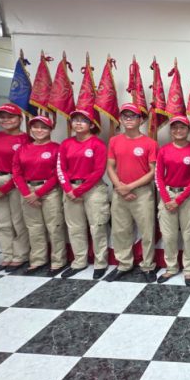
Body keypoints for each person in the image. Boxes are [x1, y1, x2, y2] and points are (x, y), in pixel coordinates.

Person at [106, 103, 159, 282]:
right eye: (125, 116)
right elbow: (110, 167)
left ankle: (148, 265)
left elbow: (153, 172)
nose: (128, 119)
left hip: (142, 193)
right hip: (119, 192)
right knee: (120, 230)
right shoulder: (114, 141)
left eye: (133, 116)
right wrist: (120, 187)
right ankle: (124, 264)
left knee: (147, 231)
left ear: (140, 120)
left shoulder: (150, 143)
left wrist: (129, 187)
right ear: (120, 120)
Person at [57, 107, 110, 279]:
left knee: (98, 227)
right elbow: (61, 168)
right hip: (70, 190)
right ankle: (79, 261)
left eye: (83, 120)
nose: (78, 123)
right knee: (75, 228)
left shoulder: (97, 144)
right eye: (75, 120)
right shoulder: (66, 144)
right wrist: (68, 189)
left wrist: (79, 190)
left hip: (93, 190)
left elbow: (99, 171)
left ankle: (100, 262)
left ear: (91, 124)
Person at [12, 115, 67, 276]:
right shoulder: (23, 149)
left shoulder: (57, 148)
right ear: (30, 129)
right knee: (34, 227)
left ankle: (58, 261)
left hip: (50, 191)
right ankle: (38, 260)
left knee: (54, 227)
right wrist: (27, 193)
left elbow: (58, 173)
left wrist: (39, 193)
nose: (39, 130)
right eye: (35, 127)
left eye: (44, 127)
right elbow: (16, 172)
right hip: (27, 192)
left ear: (50, 129)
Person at [155, 115, 190, 286]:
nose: (178, 130)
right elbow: (159, 177)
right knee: (169, 235)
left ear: (188, 130)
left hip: (188, 197)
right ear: (170, 130)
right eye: (174, 127)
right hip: (167, 196)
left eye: (182, 127)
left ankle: (189, 269)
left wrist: (179, 200)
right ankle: (171, 267)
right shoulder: (164, 150)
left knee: (189, 235)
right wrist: (167, 199)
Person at [0, 103, 31, 273]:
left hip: (15, 183)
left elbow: (25, 168)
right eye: (2, 117)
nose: (6, 120)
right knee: (1, 222)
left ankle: (20, 256)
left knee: (19, 221)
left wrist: (4, 188)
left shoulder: (26, 139)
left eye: (10, 117)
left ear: (20, 119)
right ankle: (7, 255)